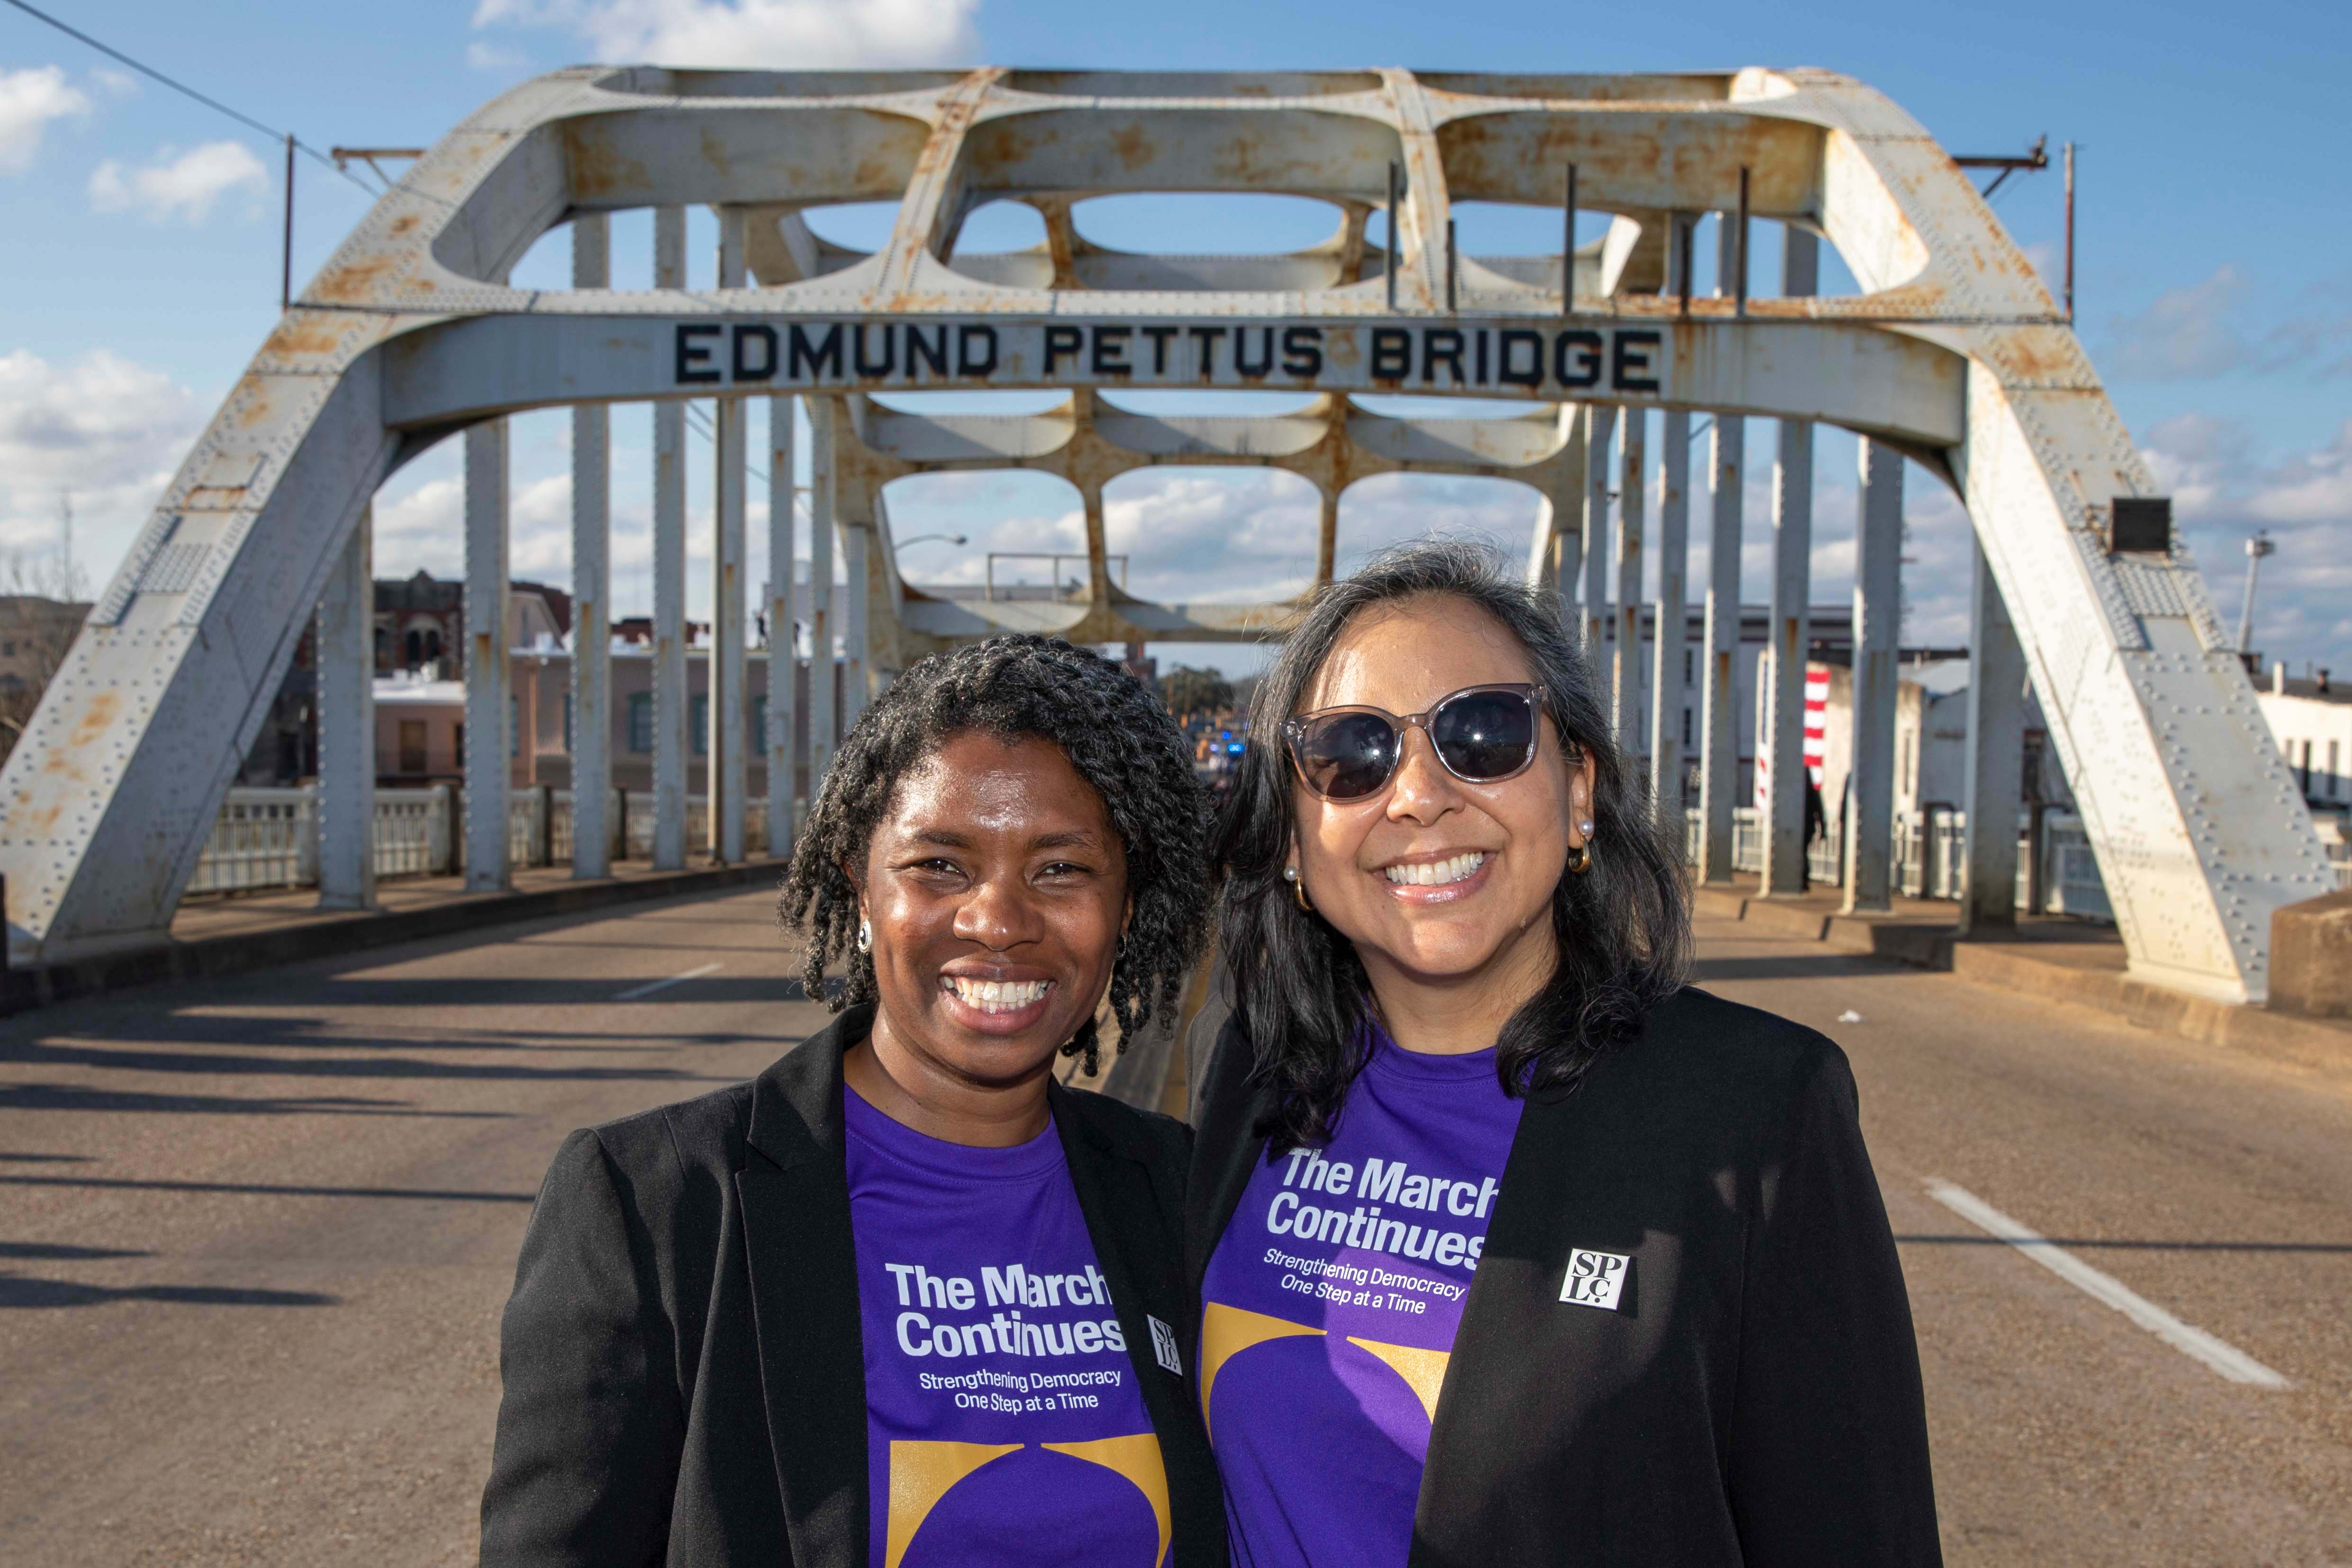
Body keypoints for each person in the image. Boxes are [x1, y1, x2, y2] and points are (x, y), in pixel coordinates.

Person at [1186, 541, 1939, 1566]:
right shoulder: (1254, 1069)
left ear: (1576, 789)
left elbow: (1854, 1534)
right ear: (1293, 834)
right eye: (1349, 754)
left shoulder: (1753, 1108)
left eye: (1482, 734)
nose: (1415, 795)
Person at [481, 635, 1226, 1568]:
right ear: (859, 883)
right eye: (939, 866)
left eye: (1060, 869)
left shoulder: (1178, 1190)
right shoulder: (659, 1206)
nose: (996, 919)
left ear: (1126, 906)